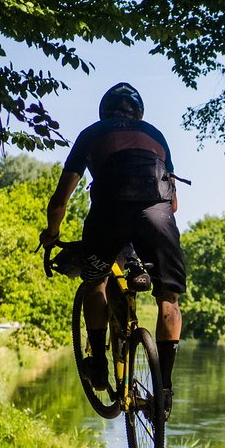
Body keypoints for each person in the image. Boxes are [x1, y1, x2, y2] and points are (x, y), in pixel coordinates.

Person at [39, 82, 184, 418]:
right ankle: (164, 389)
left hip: (108, 214)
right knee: (169, 298)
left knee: (95, 283)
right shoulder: (156, 135)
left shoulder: (92, 133)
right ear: (139, 113)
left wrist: (52, 233)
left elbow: (60, 200)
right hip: (157, 216)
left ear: (105, 111)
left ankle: (99, 362)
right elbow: (174, 202)